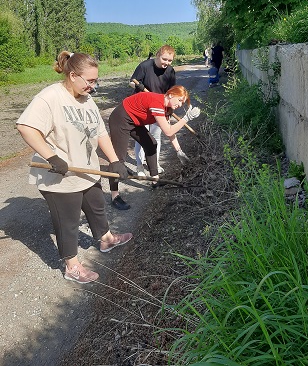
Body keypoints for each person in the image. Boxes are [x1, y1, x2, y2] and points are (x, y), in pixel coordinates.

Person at [16, 50, 133, 284]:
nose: (93, 86)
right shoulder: (50, 97)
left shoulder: (87, 99)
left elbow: (100, 131)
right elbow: (25, 127)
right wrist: (51, 157)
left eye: (95, 81)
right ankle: (71, 266)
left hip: (86, 170)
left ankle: (106, 239)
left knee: (97, 206)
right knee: (67, 221)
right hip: (60, 176)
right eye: (89, 81)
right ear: (72, 76)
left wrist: (114, 160)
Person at [108, 85, 200, 202]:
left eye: (183, 102)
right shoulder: (157, 103)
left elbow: (170, 131)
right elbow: (168, 131)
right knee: (117, 159)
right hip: (121, 119)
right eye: (180, 100)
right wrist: (186, 118)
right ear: (171, 95)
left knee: (151, 144)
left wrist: (179, 151)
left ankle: (155, 180)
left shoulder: (167, 109)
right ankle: (114, 196)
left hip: (135, 121)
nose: (180, 104)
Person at [129, 45, 176, 180]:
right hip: (142, 108)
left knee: (156, 137)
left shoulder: (171, 71)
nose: (166, 63)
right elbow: (132, 82)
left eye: (170, 60)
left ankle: (154, 164)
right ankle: (139, 166)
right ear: (157, 55)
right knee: (142, 138)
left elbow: (171, 92)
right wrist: (139, 86)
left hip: (159, 107)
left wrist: (169, 109)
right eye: (164, 59)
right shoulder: (145, 66)